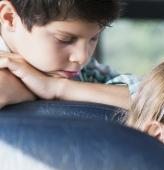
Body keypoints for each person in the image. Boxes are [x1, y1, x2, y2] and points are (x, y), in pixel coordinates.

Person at [0, 0, 137, 109]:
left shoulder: (86, 72)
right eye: (64, 39)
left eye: (93, 38)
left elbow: (153, 97)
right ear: (9, 18)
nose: (82, 58)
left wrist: (57, 87)